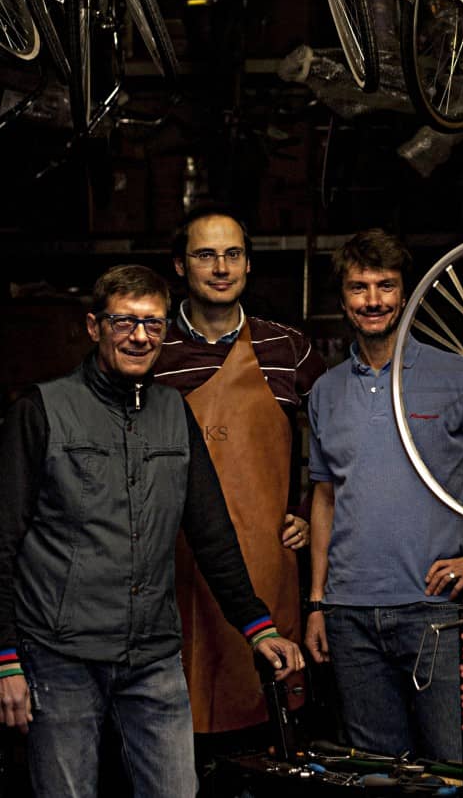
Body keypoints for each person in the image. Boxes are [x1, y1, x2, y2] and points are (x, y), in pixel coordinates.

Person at [0, 264, 303, 798]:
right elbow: (3, 544)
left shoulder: (173, 412)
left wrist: (258, 626)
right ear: (94, 327)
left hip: (152, 654)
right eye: (124, 322)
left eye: (154, 324)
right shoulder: (41, 410)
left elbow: (211, 533)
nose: (140, 337)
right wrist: (6, 661)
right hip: (61, 654)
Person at [303, 228, 463, 762]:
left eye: (386, 285)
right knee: (378, 773)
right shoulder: (326, 391)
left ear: (405, 294)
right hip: (348, 615)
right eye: (359, 287)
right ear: (343, 300)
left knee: (455, 768)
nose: (373, 300)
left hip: (433, 612)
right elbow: (325, 499)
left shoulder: (456, 376)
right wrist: (317, 602)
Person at [153, 205, 326, 745]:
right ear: (180, 265)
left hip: (264, 563)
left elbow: (340, 443)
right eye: (206, 255)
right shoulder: (150, 349)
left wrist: (307, 510)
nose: (221, 268)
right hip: (170, 565)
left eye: (233, 254)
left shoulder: (289, 349)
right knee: (169, 725)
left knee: (264, 725)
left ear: (248, 264)